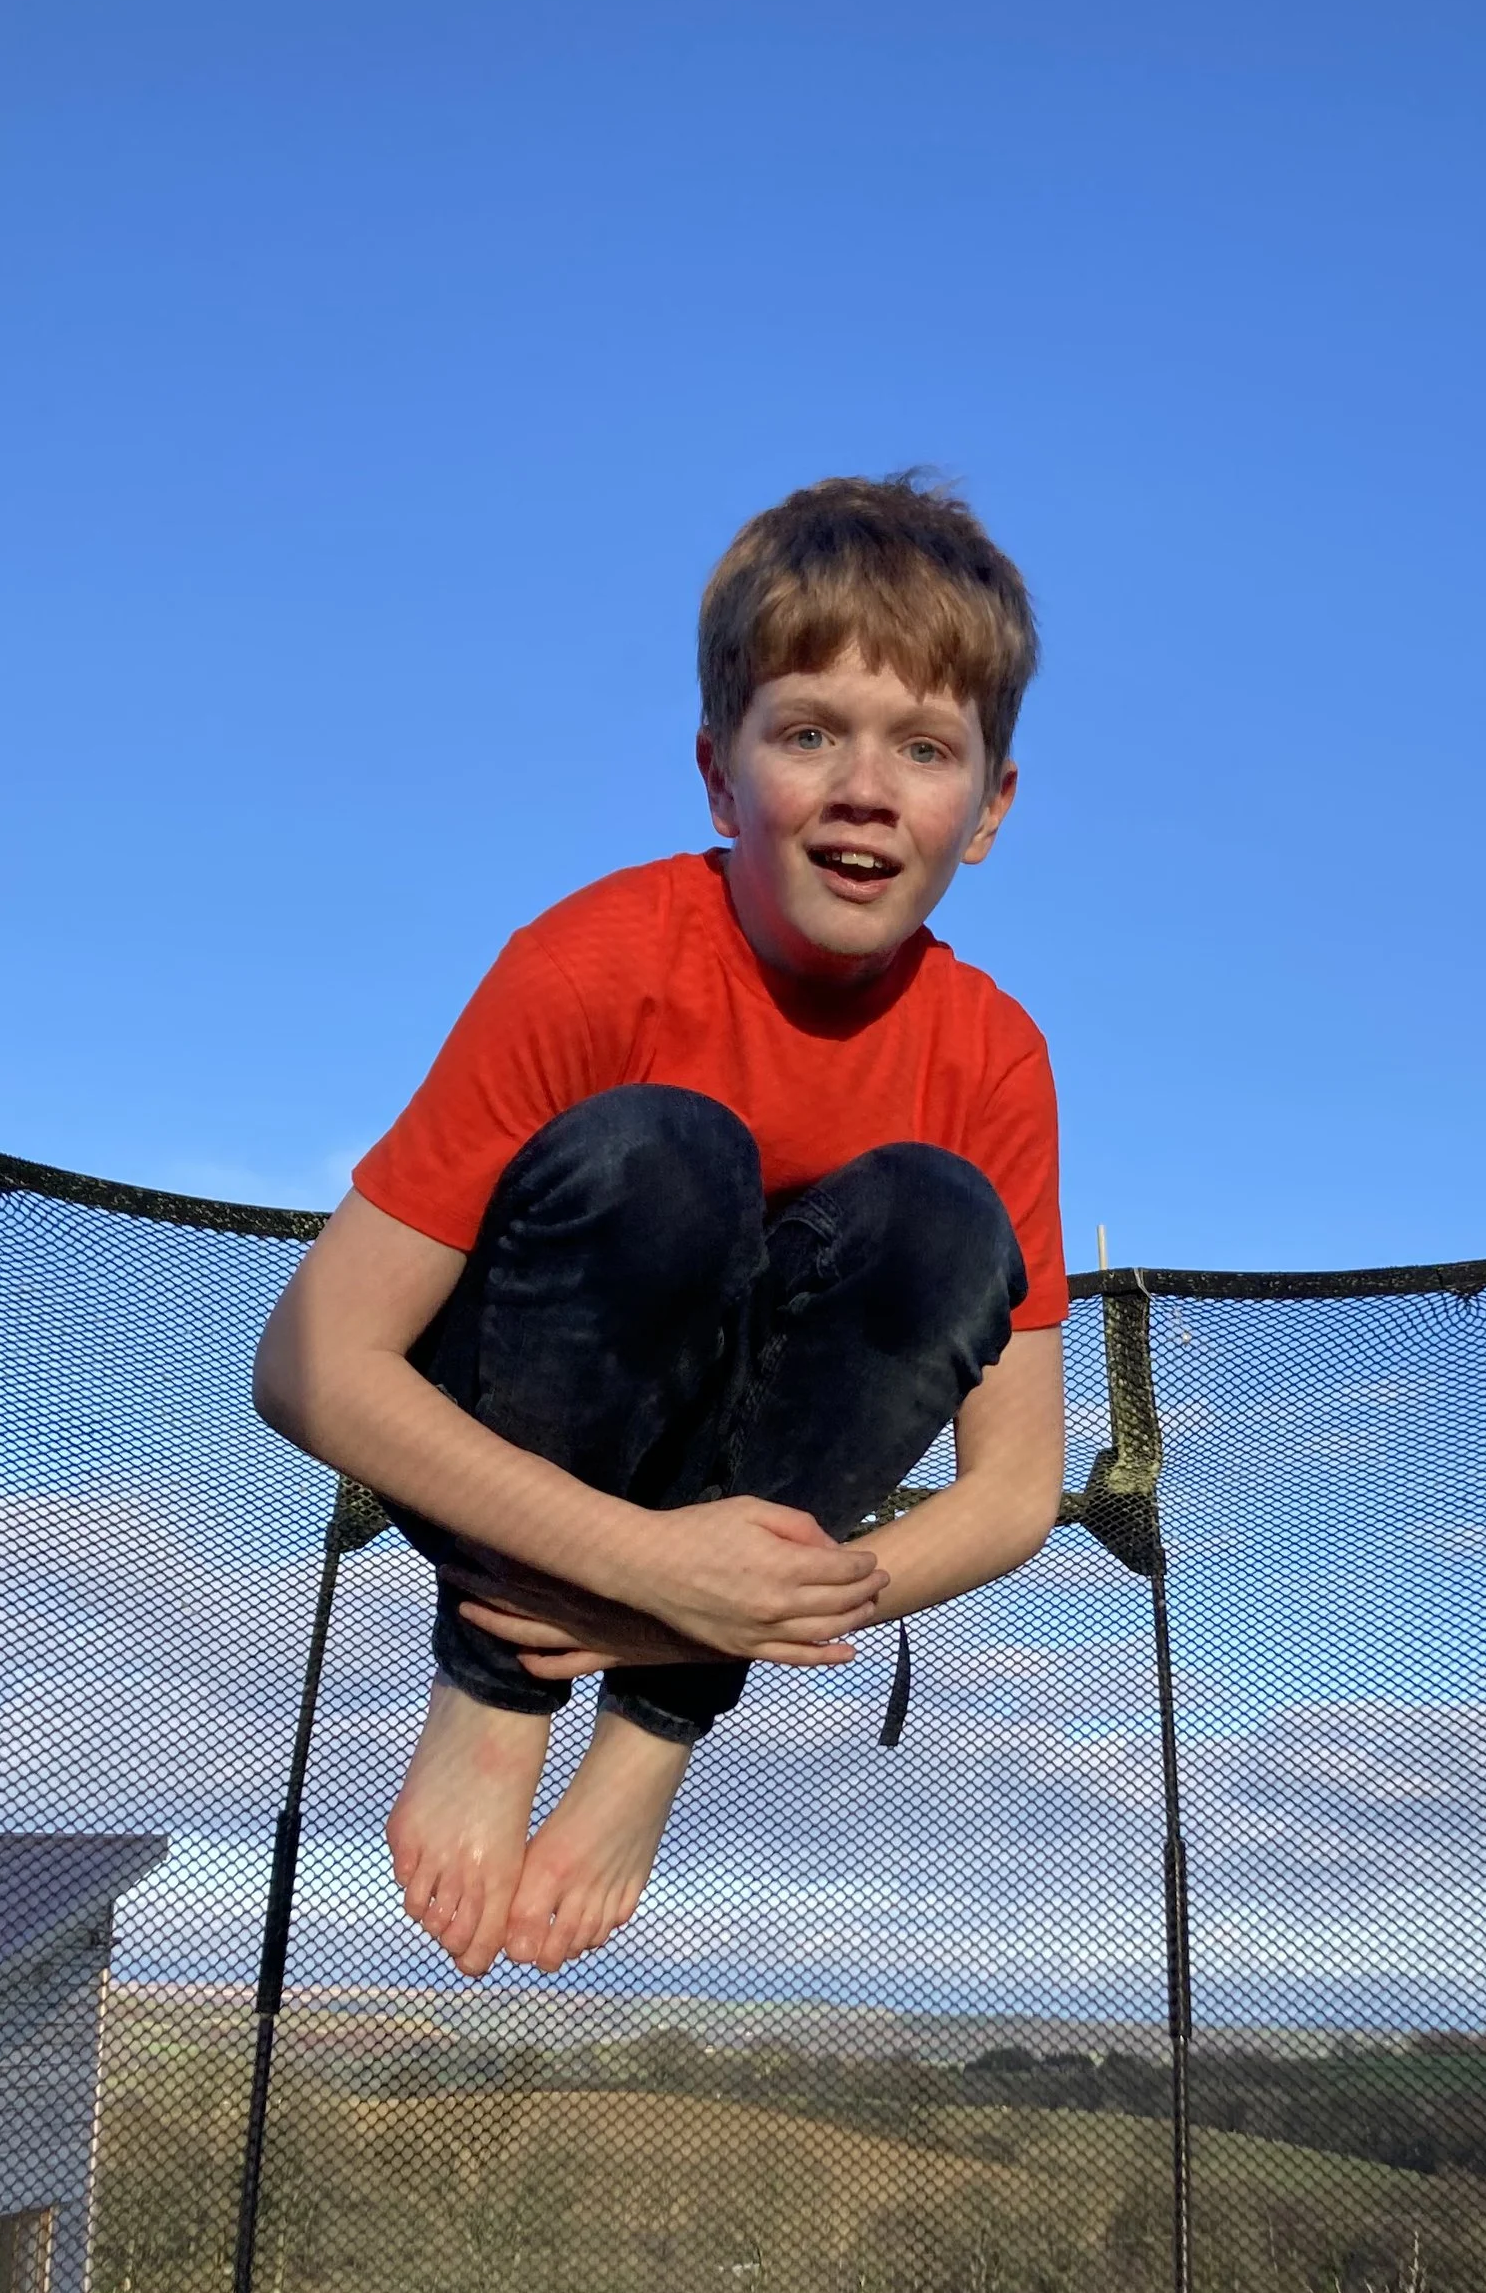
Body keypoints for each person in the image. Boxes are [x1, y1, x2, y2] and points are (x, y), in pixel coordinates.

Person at [253, 474, 1069, 1980]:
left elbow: (1014, 1493)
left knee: (939, 1220)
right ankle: (495, 1696)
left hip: (728, 1548)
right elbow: (311, 1368)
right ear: (719, 772)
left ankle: (648, 1746)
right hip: (516, 1446)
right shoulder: (593, 964)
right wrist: (631, 1560)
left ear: (992, 807)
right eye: (809, 732)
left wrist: (710, 1616)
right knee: (671, 1155)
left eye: (926, 748)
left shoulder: (994, 1057)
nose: (864, 788)